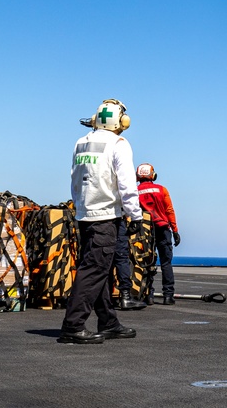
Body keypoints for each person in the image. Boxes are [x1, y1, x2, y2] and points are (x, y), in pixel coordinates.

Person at [59, 99, 143, 344]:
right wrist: (135, 215)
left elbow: (75, 178)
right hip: (106, 216)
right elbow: (126, 184)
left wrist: (81, 207)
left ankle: (108, 322)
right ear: (121, 122)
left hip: (85, 214)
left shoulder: (81, 142)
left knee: (101, 271)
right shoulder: (119, 143)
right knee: (94, 271)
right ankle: (73, 325)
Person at [136, 163, 180, 305]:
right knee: (166, 263)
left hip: (144, 231)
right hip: (163, 229)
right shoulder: (162, 190)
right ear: (152, 175)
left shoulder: (135, 191)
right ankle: (168, 296)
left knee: (147, 263)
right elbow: (169, 211)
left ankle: (148, 294)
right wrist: (175, 231)